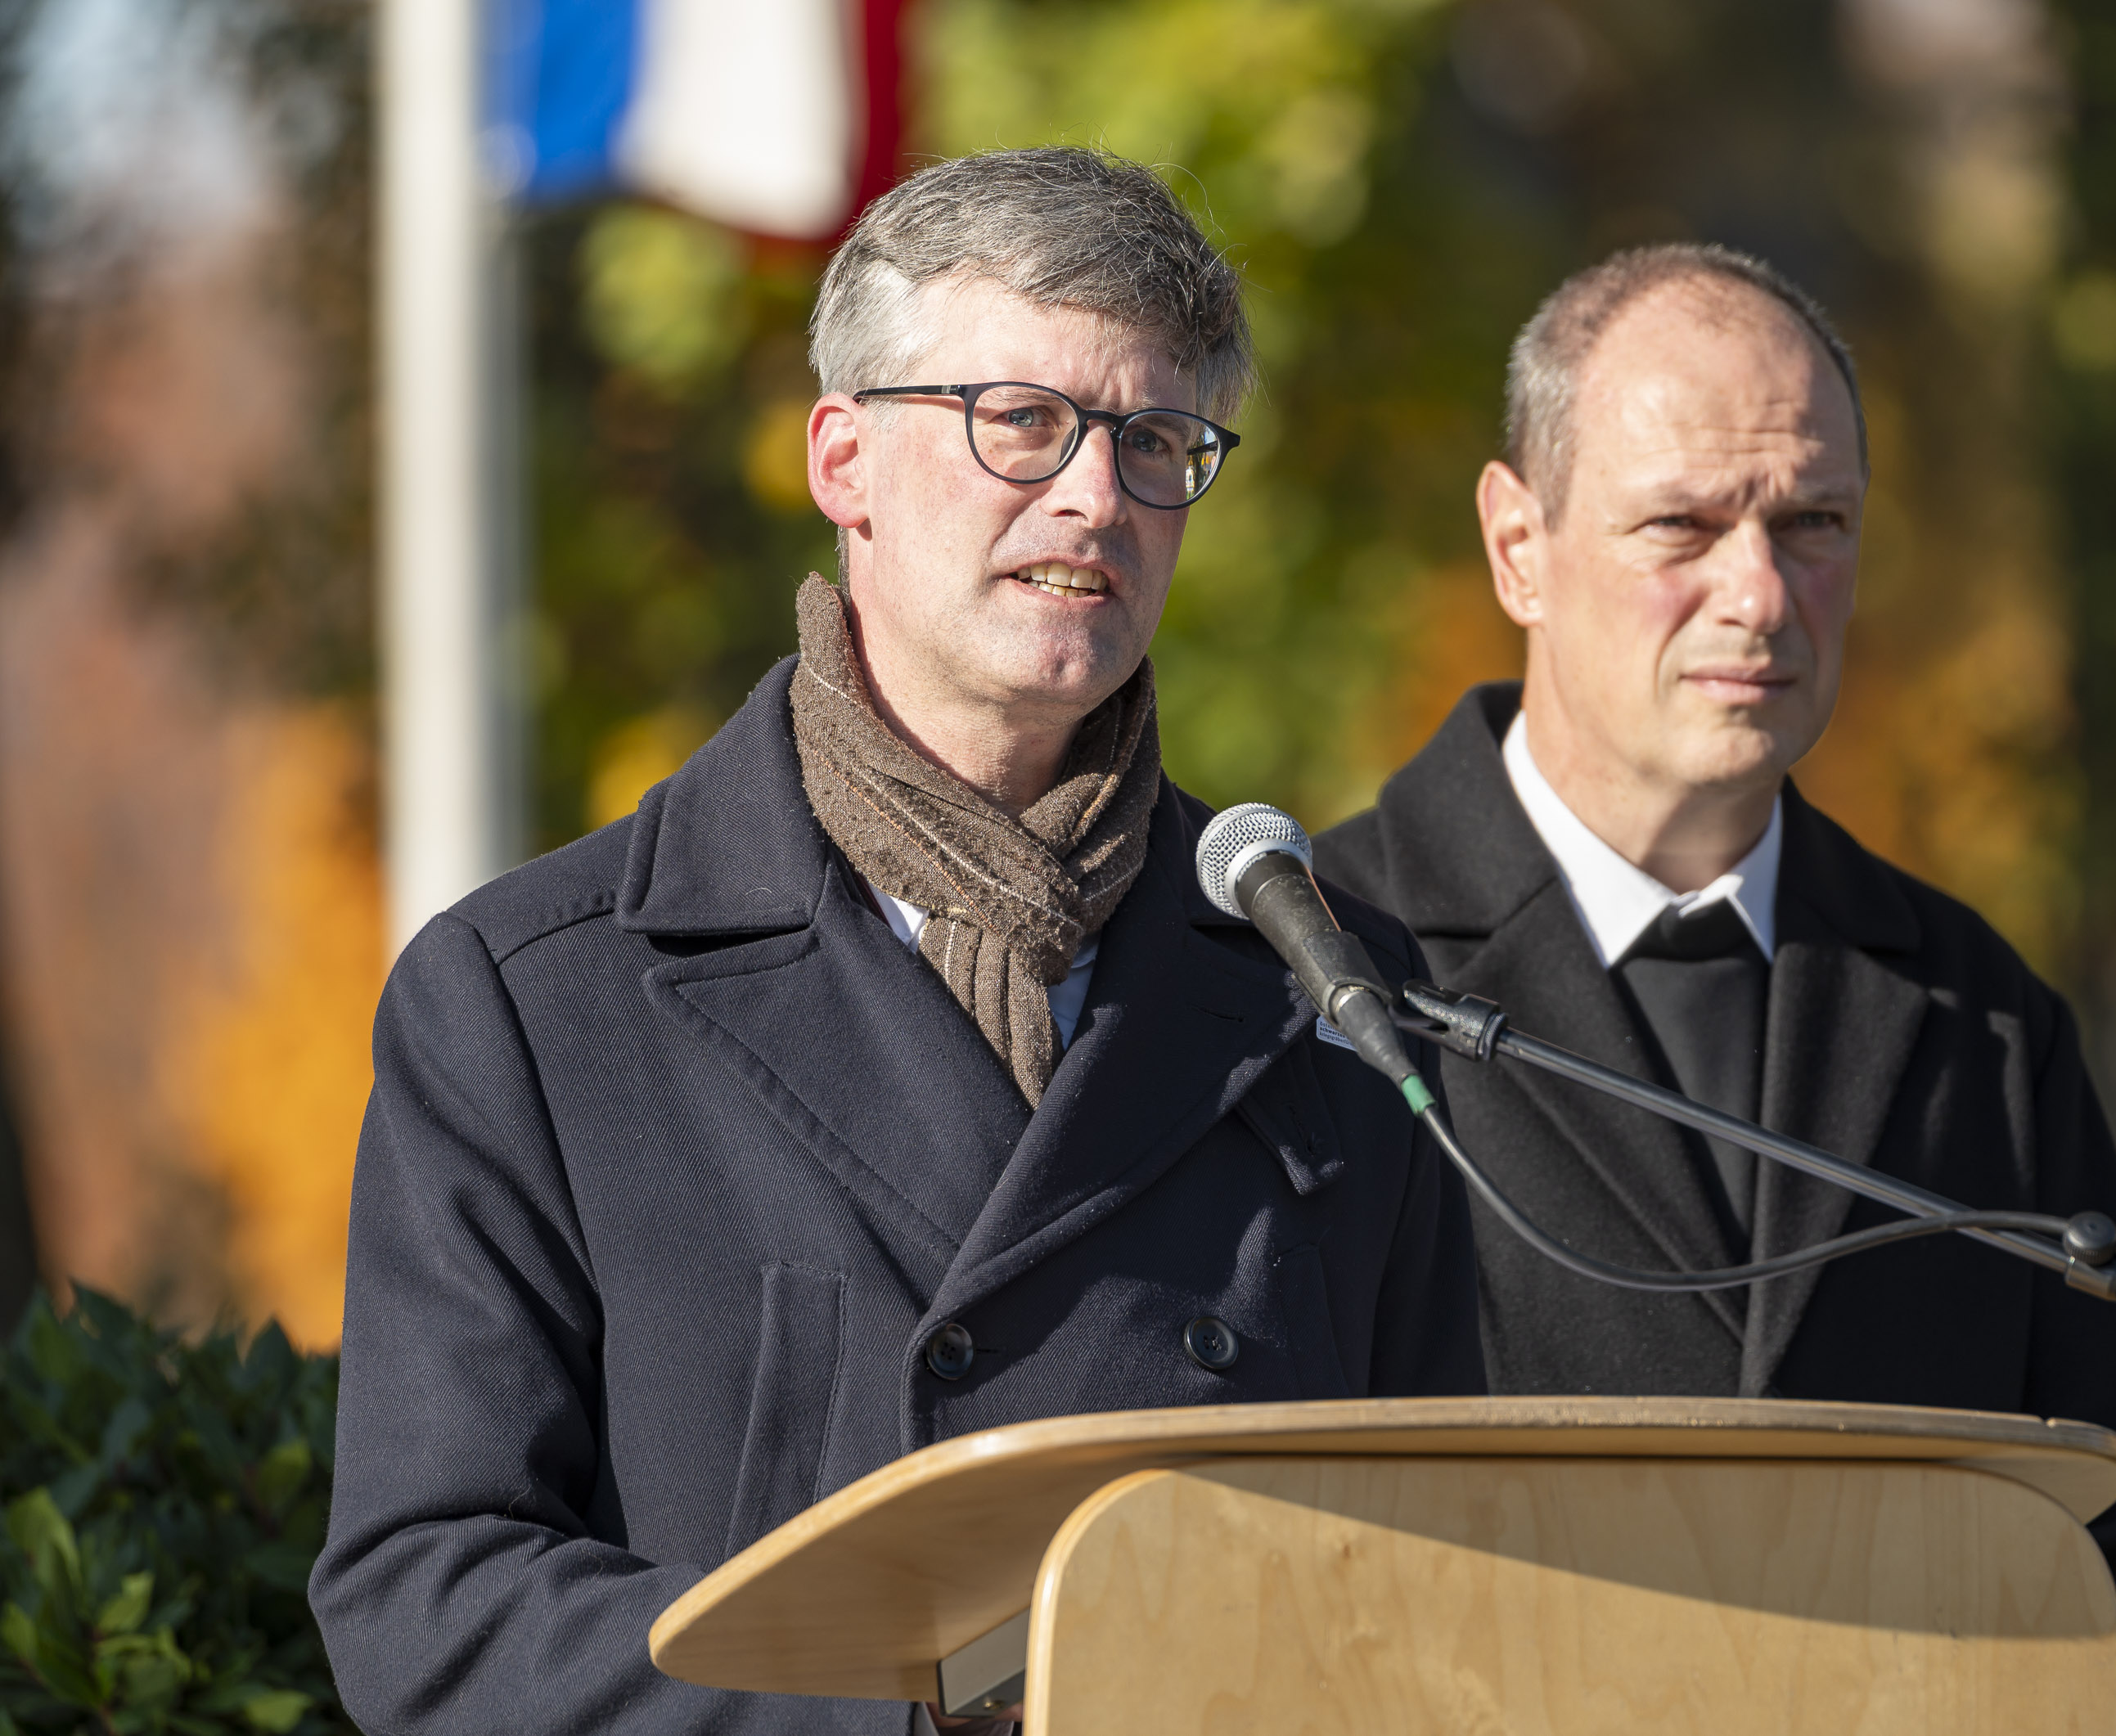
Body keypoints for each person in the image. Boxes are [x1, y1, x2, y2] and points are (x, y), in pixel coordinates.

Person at [310, 147, 1483, 1736]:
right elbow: (428, 1605)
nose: (1092, 494)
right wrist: (916, 1703)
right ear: (841, 457)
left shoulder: (1333, 990)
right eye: (1020, 420)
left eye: (1153, 441)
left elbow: (1446, 1575)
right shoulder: (531, 1001)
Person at [1311, 243, 2116, 1734]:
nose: (1760, 591)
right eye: (1682, 523)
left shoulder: (1977, 1020)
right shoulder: (1314, 974)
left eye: (1813, 523)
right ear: (1515, 544)